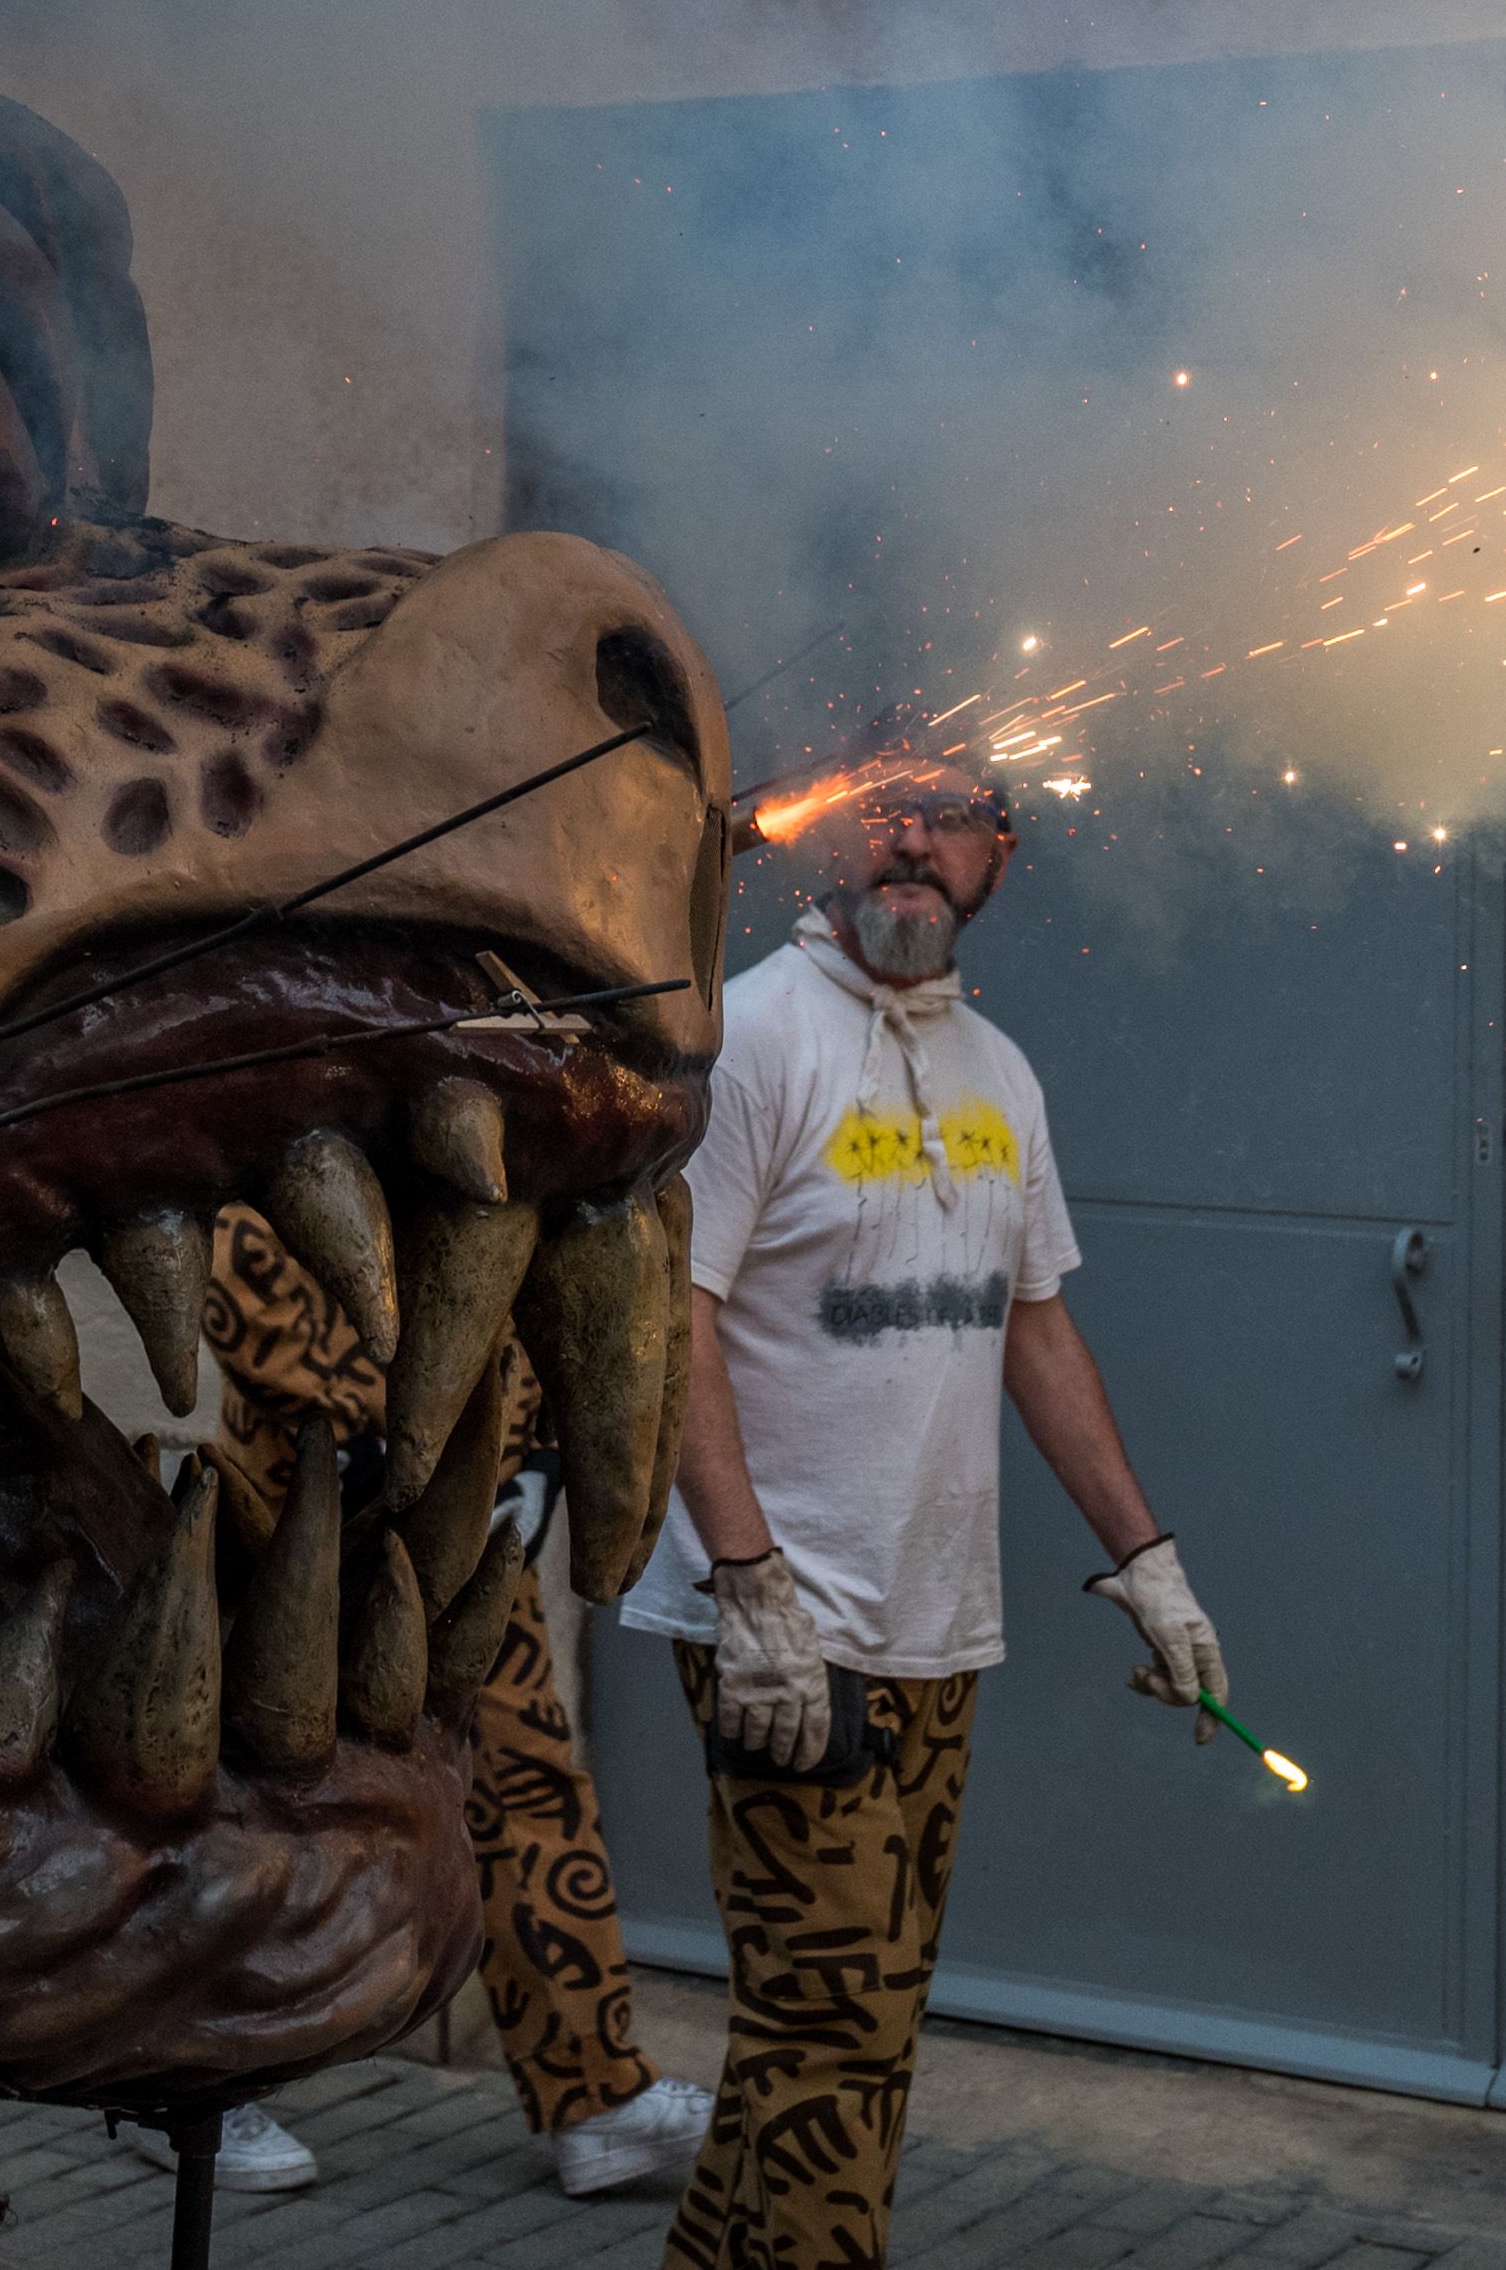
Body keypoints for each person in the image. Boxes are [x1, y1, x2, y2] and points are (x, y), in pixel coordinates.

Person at [620, 739, 1232, 2270]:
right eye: (887, 814)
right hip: (787, 1628)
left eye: (951, 820)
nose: (914, 844)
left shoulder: (998, 1073)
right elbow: (671, 1316)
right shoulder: (755, 1041)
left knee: (851, 2018)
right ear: (831, 840)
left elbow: (1034, 1324)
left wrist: (1146, 1561)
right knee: (833, 2027)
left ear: (1000, 859)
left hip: (938, 1626)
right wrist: (748, 1586)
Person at [124, 1217, 717, 2196]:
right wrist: (403, 1420)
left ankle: (593, 2093)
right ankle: (184, 2085)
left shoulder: (516, 1079)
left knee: (524, 1773)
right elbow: (237, 1253)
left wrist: (522, 1428)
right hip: (301, 1500)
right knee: (240, 1783)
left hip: (468, 1507)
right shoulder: (310, 1072)